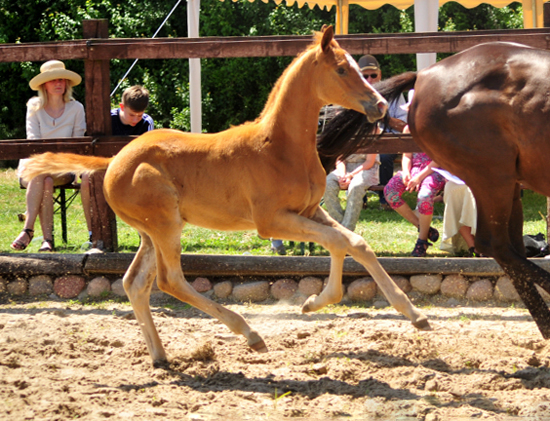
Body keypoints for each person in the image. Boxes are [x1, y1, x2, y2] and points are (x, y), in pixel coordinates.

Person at [11, 60, 89, 252]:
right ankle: (47, 240)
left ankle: (28, 230)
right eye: (53, 80)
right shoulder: (34, 106)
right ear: (44, 84)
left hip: (64, 167)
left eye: (62, 79)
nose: (58, 83)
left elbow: (77, 144)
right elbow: (33, 140)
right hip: (35, 166)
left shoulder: (76, 108)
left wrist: (57, 162)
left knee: (43, 176)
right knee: (43, 179)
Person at [80, 85, 154, 250]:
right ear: (122, 107)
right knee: (87, 179)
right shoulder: (106, 119)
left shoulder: (147, 122)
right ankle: (94, 233)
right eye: (131, 115)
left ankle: (146, 233)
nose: (135, 120)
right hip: (104, 165)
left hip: (133, 171)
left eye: (139, 116)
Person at [383, 127, 446, 257]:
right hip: (414, 170)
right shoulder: (408, 128)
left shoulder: (438, 125)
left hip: (435, 171)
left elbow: (439, 159)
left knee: (424, 196)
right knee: (390, 191)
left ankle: (422, 241)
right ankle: (424, 228)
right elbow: (406, 156)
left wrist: (418, 178)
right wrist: (406, 172)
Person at [357, 55, 408, 211]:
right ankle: (360, 198)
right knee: (358, 155)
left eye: (373, 75)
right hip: (364, 141)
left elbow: (404, 126)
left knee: (384, 157)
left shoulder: (394, 94)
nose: (370, 79)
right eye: (365, 76)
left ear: (380, 74)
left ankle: (385, 199)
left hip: (389, 140)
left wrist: (383, 116)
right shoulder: (354, 95)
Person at [324, 153, 380, 232]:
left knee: (355, 186)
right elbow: (340, 160)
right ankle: (338, 226)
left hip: (367, 169)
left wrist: (350, 175)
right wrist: (343, 176)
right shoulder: (342, 139)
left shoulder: (371, 140)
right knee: (327, 184)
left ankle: (347, 230)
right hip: (344, 169)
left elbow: (369, 162)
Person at [433, 169, 479, 257]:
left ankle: (481, 246)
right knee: (451, 187)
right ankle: (472, 247)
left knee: (469, 190)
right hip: (463, 178)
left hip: (484, 177)